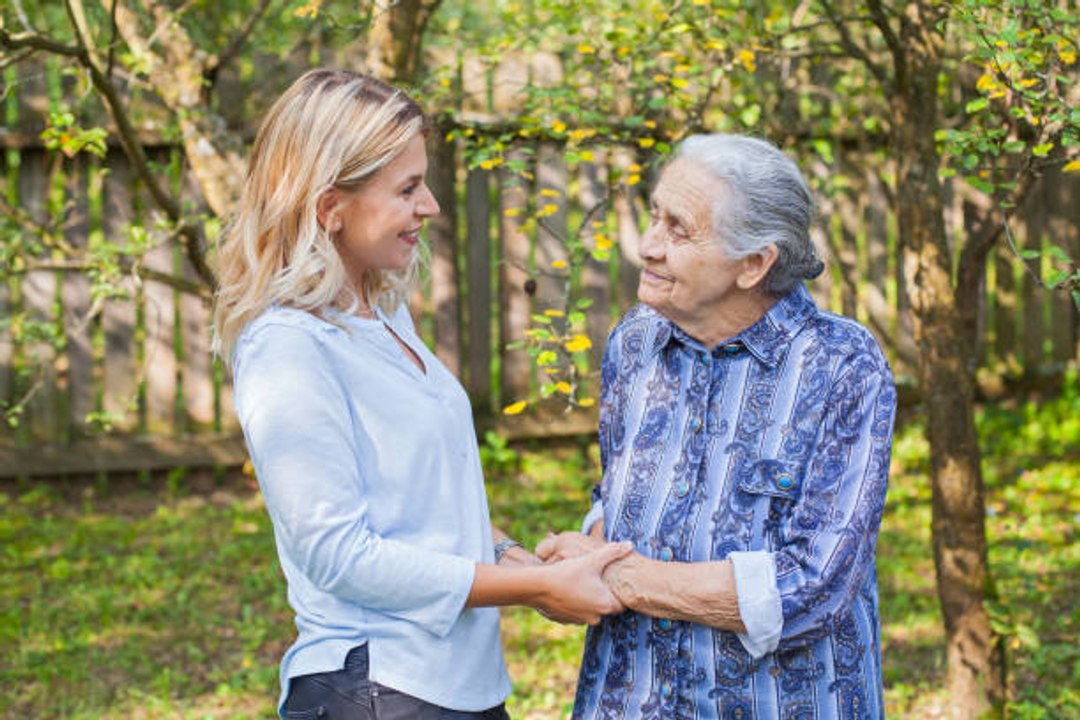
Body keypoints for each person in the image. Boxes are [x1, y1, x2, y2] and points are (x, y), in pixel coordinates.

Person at [211, 69, 631, 720]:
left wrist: (524, 560)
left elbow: (425, 511)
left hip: (454, 690)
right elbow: (340, 557)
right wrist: (531, 587)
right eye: (407, 188)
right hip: (376, 688)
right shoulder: (288, 346)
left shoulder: (381, 319)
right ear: (331, 207)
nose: (431, 205)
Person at [538, 133, 897, 719]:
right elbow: (620, 493)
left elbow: (810, 587)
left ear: (754, 264)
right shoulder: (636, 341)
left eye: (679, 230)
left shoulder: (842, 365)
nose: (648, 246)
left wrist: (624, 579)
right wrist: (584, 557)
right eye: (654, 217)